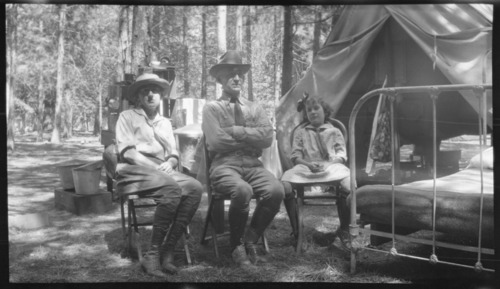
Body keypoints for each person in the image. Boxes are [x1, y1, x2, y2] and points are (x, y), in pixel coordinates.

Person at [114, 73, 203, 277]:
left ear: (161, 96)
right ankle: (152, 254)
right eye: (146, 91)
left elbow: (173, 153)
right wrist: (156, 167)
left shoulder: (164, 121)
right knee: (171, 188)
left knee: (195, 188)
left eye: (155, 91)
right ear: (138, 96)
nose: (151, 95)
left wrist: (170, 162)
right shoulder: (127, 116)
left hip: (161, 169)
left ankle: (168, 250)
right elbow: (127, 152)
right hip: (133, 168)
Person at [202, 50, 285, 267]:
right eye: (231, 73)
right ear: (220, 79)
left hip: (252, 165)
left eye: (240, 73)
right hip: (224, 166)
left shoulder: (254, 107)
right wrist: (251, 138)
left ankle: (250, 239)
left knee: (276, 190)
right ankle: (236, 245)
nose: (237, 77)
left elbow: (267, 136)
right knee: (242, 190)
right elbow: (217, 142)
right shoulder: (212, 108)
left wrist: (237, 131)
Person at [281, 92, 352, 251]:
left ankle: (345, 230)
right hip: (306, 166)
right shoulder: (301, 132)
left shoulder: (334, 131)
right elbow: (295, 156)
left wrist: (328, 165)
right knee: (285, 185)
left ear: (324, 111)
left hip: (331, 166)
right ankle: (297, 231)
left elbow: (341, 156)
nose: (312, 112)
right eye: (309, 110)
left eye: (316, 108)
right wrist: (307, 164)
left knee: (348, 183)